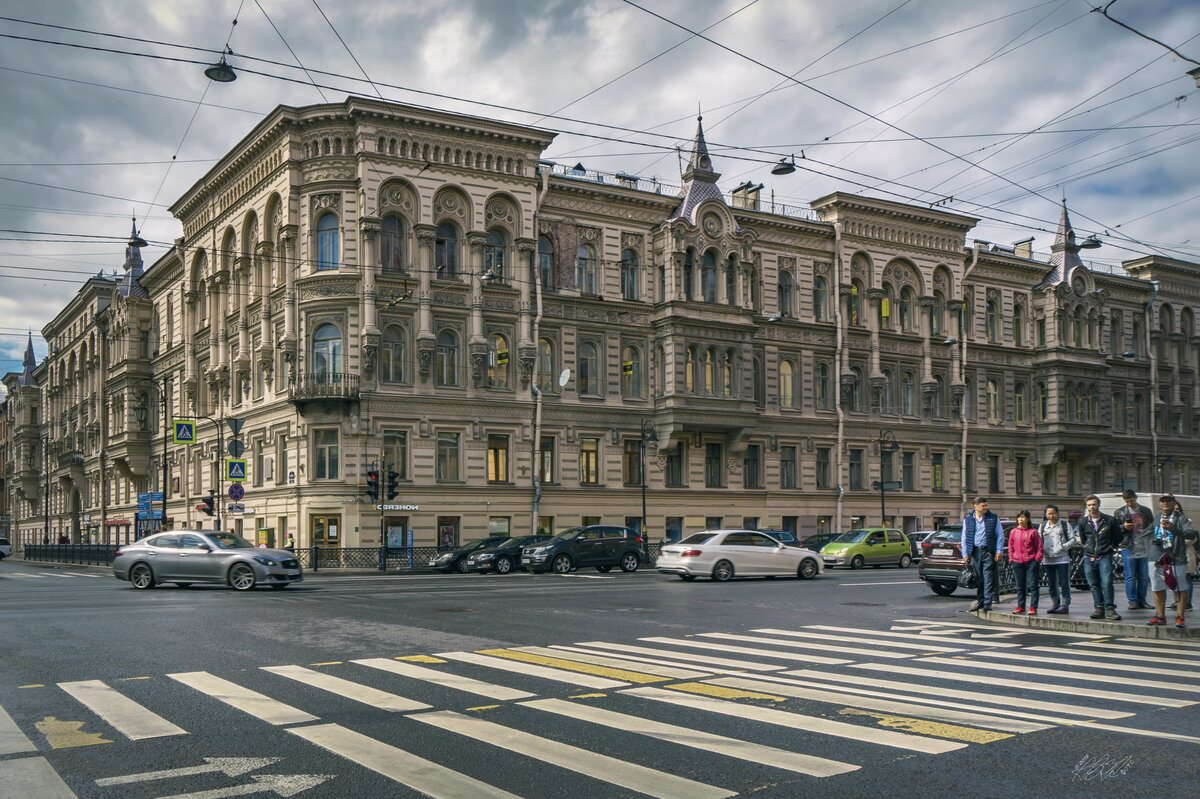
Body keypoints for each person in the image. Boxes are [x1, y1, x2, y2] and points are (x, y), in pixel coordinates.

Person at [1147, 494, 1198, 628]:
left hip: (1176, 556)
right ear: (1160, 503)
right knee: (1157, 586)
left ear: (1174, 503)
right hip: (1156, 556)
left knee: (1180, 586)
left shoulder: (1181, 518)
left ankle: (1180, 616)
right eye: (1163, 501)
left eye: (1168, 501)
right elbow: (1148, 533)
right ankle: (1160, 616)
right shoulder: (1157, 517)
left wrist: (1173, 528)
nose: (1165, 504)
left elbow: (1191, 534)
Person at [1078, 494, 1123, 621]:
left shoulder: (1109, 520)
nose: (1092, 507)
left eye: (1094, 504)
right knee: (1093, 584)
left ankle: (1109, 608)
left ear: (1098, 505)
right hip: (1089, 556)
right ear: (1086, 507)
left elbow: (1117, 537)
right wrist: (1088, 547)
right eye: (1089, 505)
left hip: (1105, 555)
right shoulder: (1084, 522)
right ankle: (1099, 607)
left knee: (1107, 582)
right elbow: (1083, 538)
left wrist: (1110, 546)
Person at [961, 496, 1004, 612]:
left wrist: (999, 551)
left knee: (988, 577)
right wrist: (965, 554)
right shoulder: (968, 519)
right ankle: (980, 601)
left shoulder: (993, 518)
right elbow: (964, 537)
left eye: (986, 505)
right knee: (979, 578)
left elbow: (1000, 535)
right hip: (975, 552)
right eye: (983, 505)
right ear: (975, 506)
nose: (986, 507)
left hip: (988, 552)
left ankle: (987, 602)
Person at [1113, 489, 1153, 610]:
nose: (1130, 503)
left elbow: (1152, 527)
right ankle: (1132, 601)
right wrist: (1124, 527)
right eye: (1127, 501)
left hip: (1143, 545)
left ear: (1136, 498)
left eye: (1131, 500)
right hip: (1128, 545)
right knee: (1130, 575)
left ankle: (1142, 600)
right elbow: (1115, 529)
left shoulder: (1145, 511)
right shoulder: (1119, 512)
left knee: (1144, 575)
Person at [1039, 504, 1078, 614]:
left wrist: (1063, 547)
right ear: (1046, 514)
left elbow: (1073, 539)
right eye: (1049, 513)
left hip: (1062, 558)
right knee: (1051, 583)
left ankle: (1065, 604)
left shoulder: (1064, 525)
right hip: (1048, 558)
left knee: (1064, 582)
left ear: (1058, 513)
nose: (1051, 516)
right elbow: (1039, 540)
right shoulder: (1043, 526)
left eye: (1054, 513)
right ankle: (1055, 603)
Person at [1007, 510, 1043, 615]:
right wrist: (1011, 559)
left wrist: (1037, 559)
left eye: (1023, 517)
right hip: (1017, 562)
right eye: (1019, 517)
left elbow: (1039, 547)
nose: (1021, 519)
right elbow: (1010, 546)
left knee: (1033, 585)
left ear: (1028, 519)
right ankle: (1021, 606)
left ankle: (1033, 607)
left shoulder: (1033, 532)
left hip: (1031, 561)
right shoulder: (1013, 532)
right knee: (1020, 586)